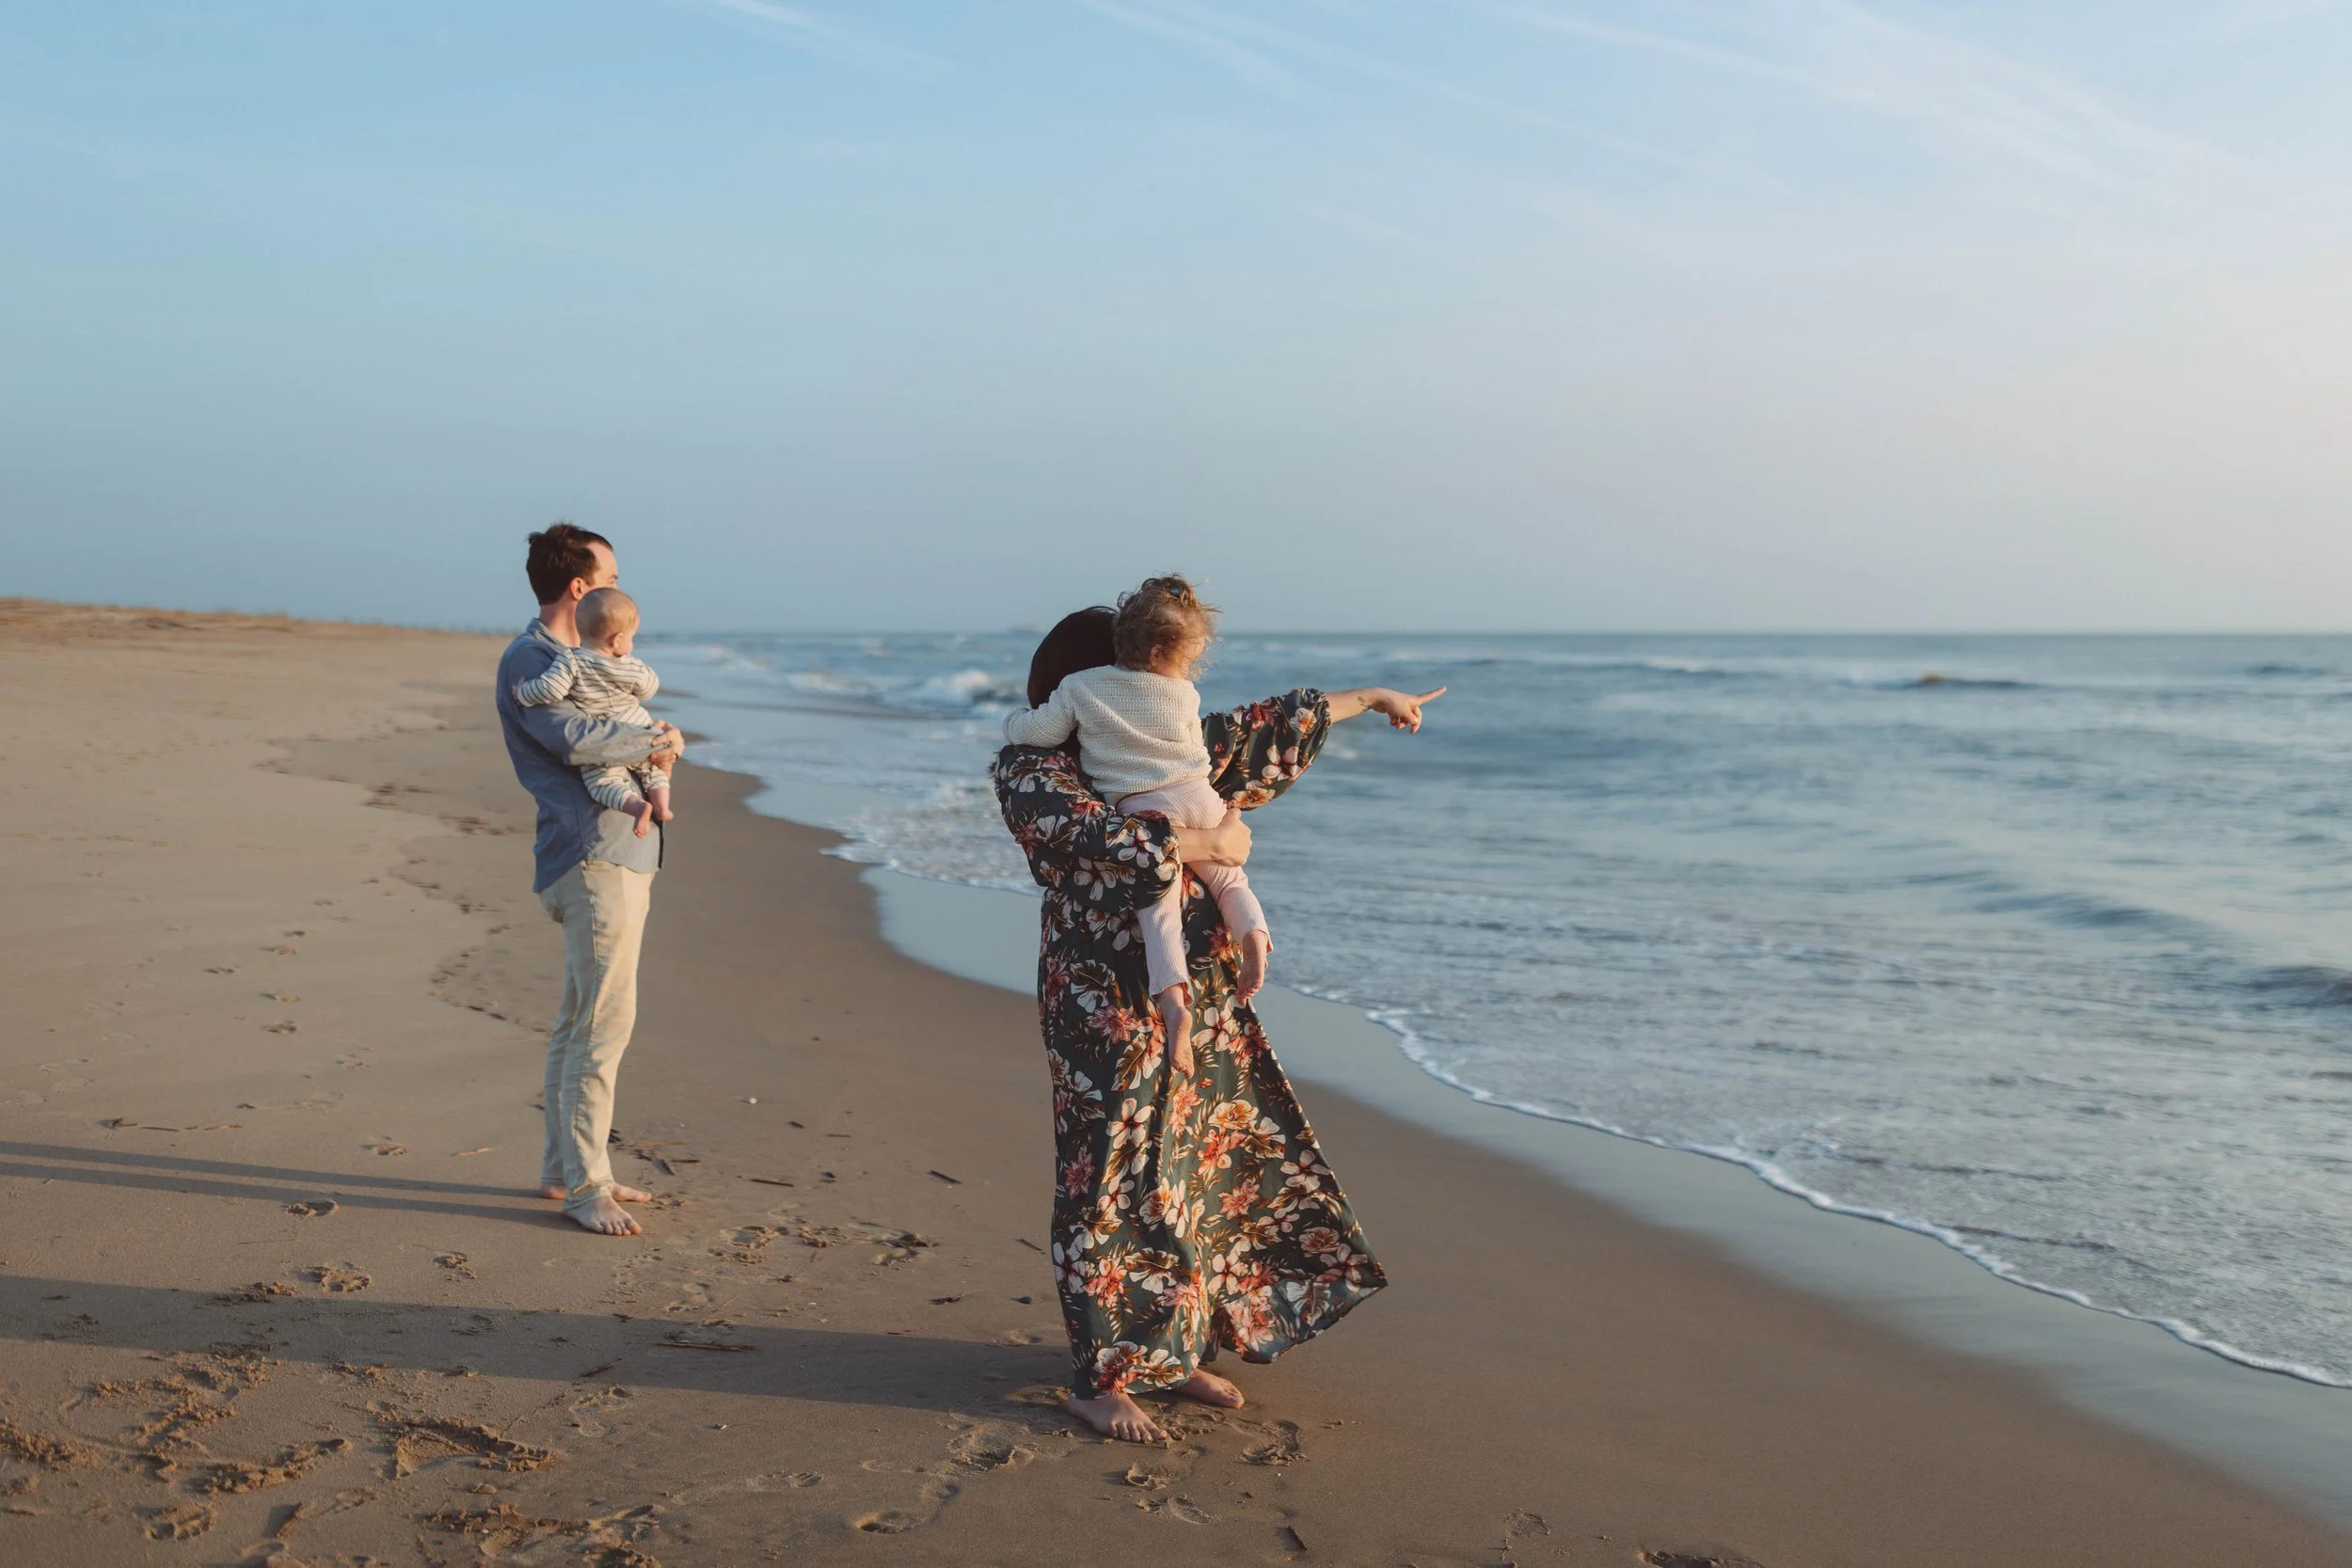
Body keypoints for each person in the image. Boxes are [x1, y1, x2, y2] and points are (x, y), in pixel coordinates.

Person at [992, 605, 1443, 1443]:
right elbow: (1107, 839)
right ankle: (1103, 1375)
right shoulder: (1030, 768)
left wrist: (1377, 695)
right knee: (1108, 1176)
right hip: (1102, 999)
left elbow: (1274, 722)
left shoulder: (1172, 741)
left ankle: (1170, 1348)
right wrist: (1218, 833)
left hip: (1195, 992)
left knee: (1190, 1164)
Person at [493, 523, 685, 1239]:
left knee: (581, 1019)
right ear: (581, 587)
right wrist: (658, 739)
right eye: (610, 575)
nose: (618, 585)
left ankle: (562, 1167)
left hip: (609, 855)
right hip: (589, 857)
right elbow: (572, 741)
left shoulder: (580, 659)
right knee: (602, 1026)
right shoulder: (535, 659)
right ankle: (585, 1184)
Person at [1002, 576, 1266, 1069]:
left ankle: (1174, 1004)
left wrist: (1012, 724)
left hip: (1145, 807)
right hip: (1198, 793)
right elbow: (1203, 746)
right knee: (1232, 879)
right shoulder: (1183, 694)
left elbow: (1040, 730)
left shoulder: (1080, 687)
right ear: (1164, 653)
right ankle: (1253, 937)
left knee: (1157, 908)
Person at [511, 586, 676, 840]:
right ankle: (662, 805)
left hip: (604, 724)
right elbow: (649, 688)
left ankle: (636, 806)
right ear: (617, 640)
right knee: (652, 772)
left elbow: (549, 689)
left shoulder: (571, 661)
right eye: (631, 637)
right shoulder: (632, 665)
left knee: (603, 782)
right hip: (637, 726)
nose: (632, 645)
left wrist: (523, 692)